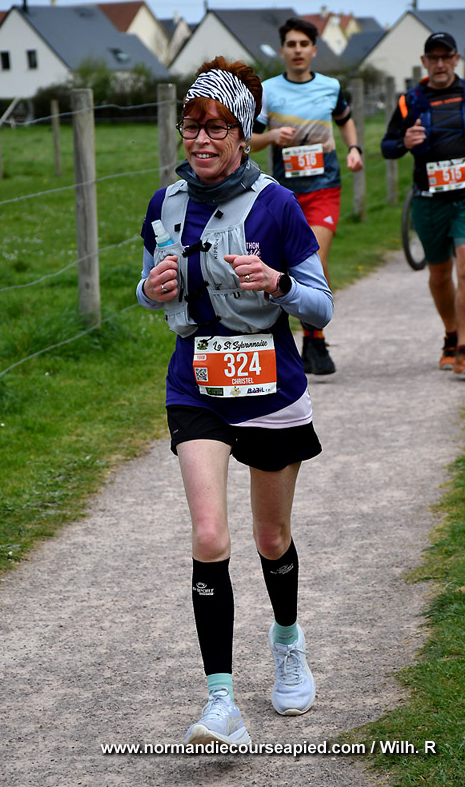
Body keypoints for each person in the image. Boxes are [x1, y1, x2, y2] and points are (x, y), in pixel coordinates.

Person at [136, 56, 333, 747]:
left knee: (270, 538)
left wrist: (278, 284)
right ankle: (221, 702)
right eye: (192, 125)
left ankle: (287, 640)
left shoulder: (277, 206)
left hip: (269, 381)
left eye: (217, 127)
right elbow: (148, 284)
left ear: (243, 135)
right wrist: (150, 290)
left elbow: (321, 305)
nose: (201, 139)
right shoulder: (164, 204)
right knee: (209, 534)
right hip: (196, 381)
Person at [250, 17, 363, 376]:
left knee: (315, 257)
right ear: (282, 50)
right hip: (284, 196)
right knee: (286, 266)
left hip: (324, 188)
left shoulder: (330, 86)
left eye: (304, 44)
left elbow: (345, 119)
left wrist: (354, 148)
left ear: (314, 49)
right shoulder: (268, 90)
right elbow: (249, 140)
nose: (297, 50)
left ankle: (315, 339)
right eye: (291, 44)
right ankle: (306, 339)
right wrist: (272, 137)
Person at [382, 32, 465, 376]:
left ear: (455, 59)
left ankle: (464, 349)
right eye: (433, 58)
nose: (440, 64)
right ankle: (451, 335)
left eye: (446, 57)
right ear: (424, 62)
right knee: (439, 274)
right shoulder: (411, 101)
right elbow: (387, 147)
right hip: (428, 199)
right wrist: (404, 141)